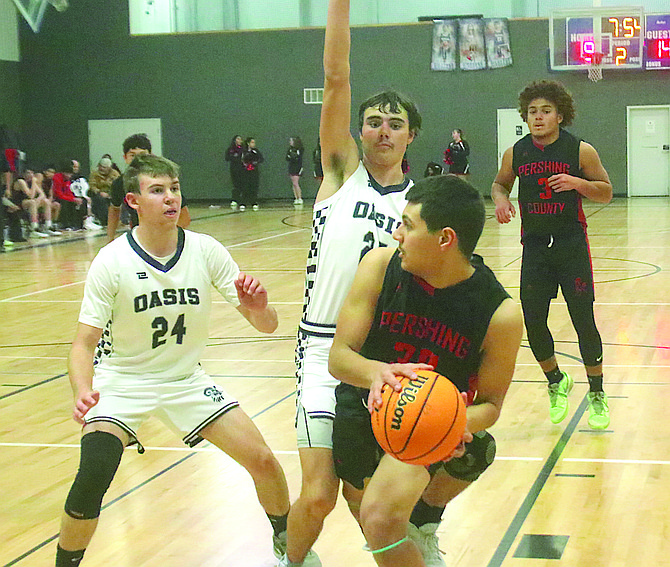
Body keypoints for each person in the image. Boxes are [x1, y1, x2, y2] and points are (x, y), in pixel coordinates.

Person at [54, 154, 291, 567]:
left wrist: (259, 307)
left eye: (175, 189)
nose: (170, 198)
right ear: (133, 200)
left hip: (185, 379)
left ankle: (292, 549)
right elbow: (82, 344)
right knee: (93, 475)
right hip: (123, 380)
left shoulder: (205, 250)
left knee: (265, 462)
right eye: (157, 190)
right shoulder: (111, 260)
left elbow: (267, 326)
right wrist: (82, 390)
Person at [279, 1, 421, 565]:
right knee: (318, 496)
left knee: (371, 502)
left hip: (381, 358)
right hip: (320, 350)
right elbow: (336, 77)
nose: (382, 130)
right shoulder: (338, 175)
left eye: (395, 123)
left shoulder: (423, 206)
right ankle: (290, 560)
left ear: (412, 135)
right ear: (358, 129)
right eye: (373, 121)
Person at [329, 175, 523, 567]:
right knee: (366, 513)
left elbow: (491, 404)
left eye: (409, 225)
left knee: (380, 518)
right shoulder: (380, 266)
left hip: (423, 421)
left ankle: (421, 522)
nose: (396, 234)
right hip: (363, 403)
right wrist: (376, 372)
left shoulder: (499, 313)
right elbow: (339, 357)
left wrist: (450, 426)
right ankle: (421, 522)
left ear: (445, 239)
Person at [491, 79, 612, 430]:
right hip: (535, 247)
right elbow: (500, 183)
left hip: (571, 244)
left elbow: (605, 192)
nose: (538, 117)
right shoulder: (516, 152)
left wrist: (577, 183)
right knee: (533, 321)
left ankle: (597, 393)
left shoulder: (580, 150)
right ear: (525, 116)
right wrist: (500, 199)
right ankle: (556, 381)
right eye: (532, 112)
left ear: (560, 115)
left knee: (582, 320)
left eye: (545, 111)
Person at [107, 133, 190, 242]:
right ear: (125, 158)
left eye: (143, 155)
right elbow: (114, 210)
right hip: (141, 236)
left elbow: (185, 217)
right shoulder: (119, 184)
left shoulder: (162, 180)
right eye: (133, 155)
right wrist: (110, 238)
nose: (138, 160)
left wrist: (168, 236)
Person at [52, 160, 86, 230]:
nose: (70, 176)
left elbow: (69, 192)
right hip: (56, 198)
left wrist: (75, 199)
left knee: (80, 202)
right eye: (69, 174)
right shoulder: (57, 178)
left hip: (64, 197)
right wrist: (72, 199)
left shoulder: (67, 180)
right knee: (66, 202)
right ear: (64, 173)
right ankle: (66, 224)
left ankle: (78, 224)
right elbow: (58, 194)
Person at [88, 156, 119, 226]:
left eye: (104, 167)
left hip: (111, 193)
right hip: (98, 193)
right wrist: (99, 192)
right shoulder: (94, 174)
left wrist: (109, 194)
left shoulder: (115, 174)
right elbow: (92, 186)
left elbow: (117, 186)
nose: (101, 169)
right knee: (100, 200)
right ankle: (104, 221)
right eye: (100, 166)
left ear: (109, 168)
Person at [242, 136, 264, 211]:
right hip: (245, 171)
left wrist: (256, 162)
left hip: (254, 171)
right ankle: (243, 202)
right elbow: (242, 159)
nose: (253, 144)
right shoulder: (244, 151)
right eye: (252, 142)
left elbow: (261, 159)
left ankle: (253, 201)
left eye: (254, 142)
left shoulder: (256, 151)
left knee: (254, 186)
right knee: (245, 186)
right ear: (248, 143)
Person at [225, 134, 246, 210]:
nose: (240, 140)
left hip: (242, 169)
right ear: (235, 140)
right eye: (238, 139)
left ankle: (242, 201)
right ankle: (234, 200)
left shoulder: (243, 149)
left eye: (240, 139)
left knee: (242, 185)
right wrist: (234, 157)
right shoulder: (231, 149)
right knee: (235, 184)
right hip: (234, 169)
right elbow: (227, 158)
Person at [286, 136, 304, 207]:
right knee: (293, 183)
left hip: (297, 167)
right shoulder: (290, 149)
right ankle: (296, 197)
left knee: (296, 183)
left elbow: (298, 158)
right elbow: (287, 157)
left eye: (291, 141)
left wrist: (294, 157)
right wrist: (291, 157)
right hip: (291, 167)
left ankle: (300, 198)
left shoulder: (299, 149)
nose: (290, 142)